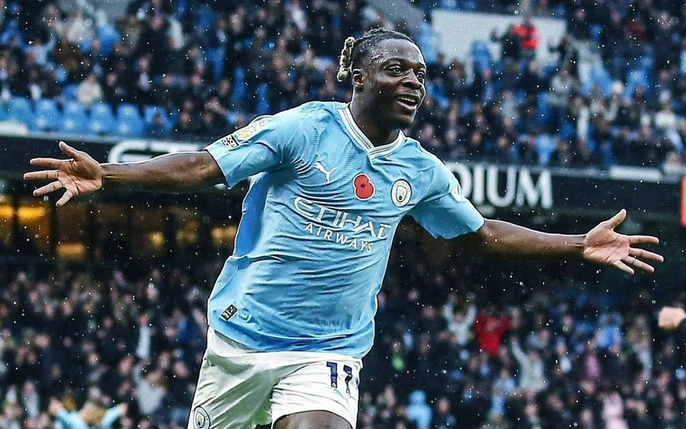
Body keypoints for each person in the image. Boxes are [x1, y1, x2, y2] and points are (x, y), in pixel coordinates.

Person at [24, 28, 663, 429]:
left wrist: (578, 244)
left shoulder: (420, 170)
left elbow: (480, 235)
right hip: (240, 340)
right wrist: (110, 174)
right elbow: (203, 166)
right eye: (397, 70)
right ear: (359, 77)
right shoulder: (303, 130)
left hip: (328, 351)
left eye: (419, 74)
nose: (412, 83)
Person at [48, 397, 128, 429]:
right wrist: (59, 410)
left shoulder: (98, 422)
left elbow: (111, 414)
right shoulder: (74, 421)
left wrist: (118, 411)